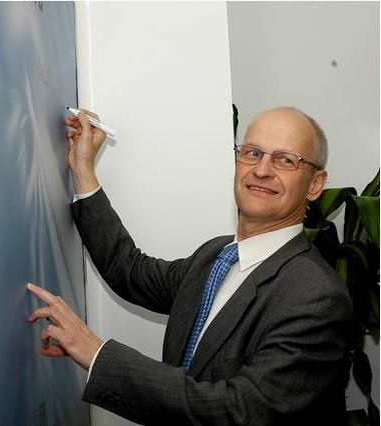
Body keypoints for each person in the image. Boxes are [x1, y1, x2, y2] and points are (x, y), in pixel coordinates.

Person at [27, 106, 353, 425]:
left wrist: (97, 355)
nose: (262, 170)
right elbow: (131, 272)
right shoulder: (216, 255)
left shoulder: (317, 298)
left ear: (315, 184)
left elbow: (239, 411)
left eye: (285, 160)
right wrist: (82, 170)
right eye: (253, 153)